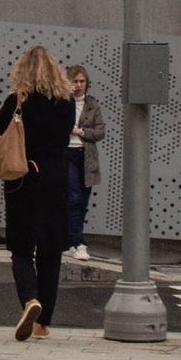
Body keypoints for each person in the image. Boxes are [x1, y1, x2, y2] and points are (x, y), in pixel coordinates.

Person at [0, 44, 76, 341]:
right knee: (51, 250)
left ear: (22, 71)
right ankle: (42, 323)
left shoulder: (19, 99)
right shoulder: (66, 103)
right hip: (57, 178)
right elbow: (66, 134)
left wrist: (16, 104)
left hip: (24, 177)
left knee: (21, 247)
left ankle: (30, 300)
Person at [66, 66, 104, 259]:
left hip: (86, 156)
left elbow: (100, 132)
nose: (79, 85)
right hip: (67, 154)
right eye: (75, 81)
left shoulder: (92, 104)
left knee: (82, 200)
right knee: (72, 197)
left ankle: (71, 240)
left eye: (82, 81)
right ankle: (79, 242)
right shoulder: (62, 102)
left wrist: (80, 132)